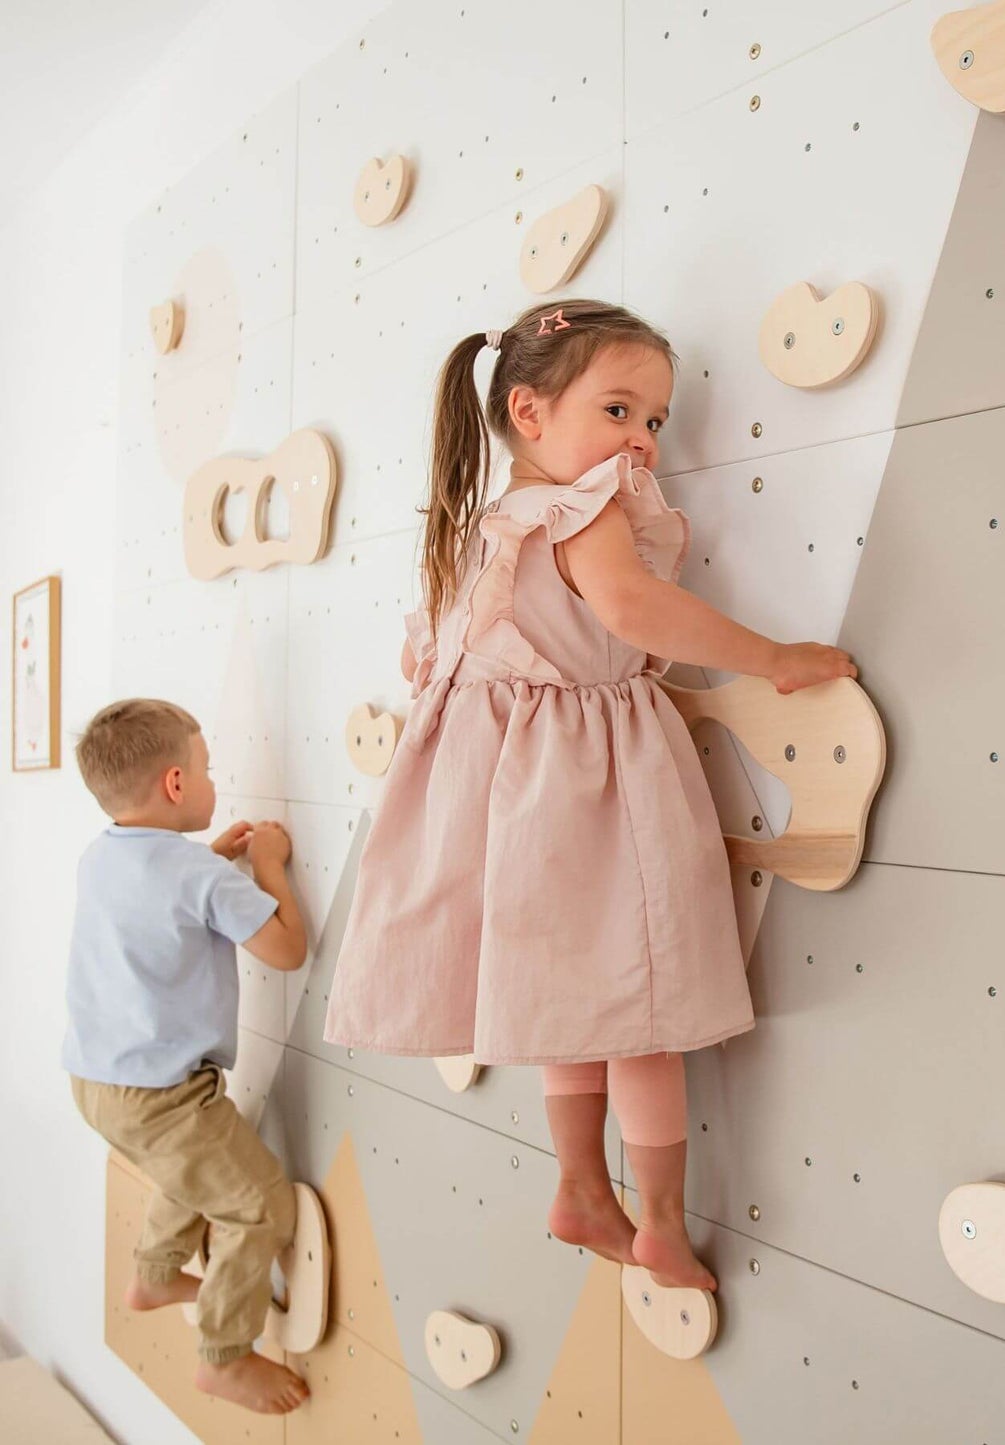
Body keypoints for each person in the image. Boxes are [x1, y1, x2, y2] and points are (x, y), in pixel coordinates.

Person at [324, 299, 856, 1292]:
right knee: (637, 1007)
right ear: (529, 412)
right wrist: (771, 656)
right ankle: (655, 1217)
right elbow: (631, 606)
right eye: (618, 411)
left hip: (510, 796)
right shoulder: (583, 509)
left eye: (654, 421)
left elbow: (427, 656)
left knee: (566, 1001)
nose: (640, 441)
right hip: (586, 779)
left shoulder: (476, 526)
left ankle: (578, 1182)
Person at [64, 699, 311, 1414]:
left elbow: (156, 898)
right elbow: (288, 949)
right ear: (176, 784)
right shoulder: (196, 877)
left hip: (97, 1082)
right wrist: (266, 866)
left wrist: (210, 861)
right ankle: (224, 1356)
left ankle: (154, 1273)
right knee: (258, 1200)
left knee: (198, 1161)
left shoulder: (102, 853)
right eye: (206, 769)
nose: (211, 781)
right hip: (161, 1093)